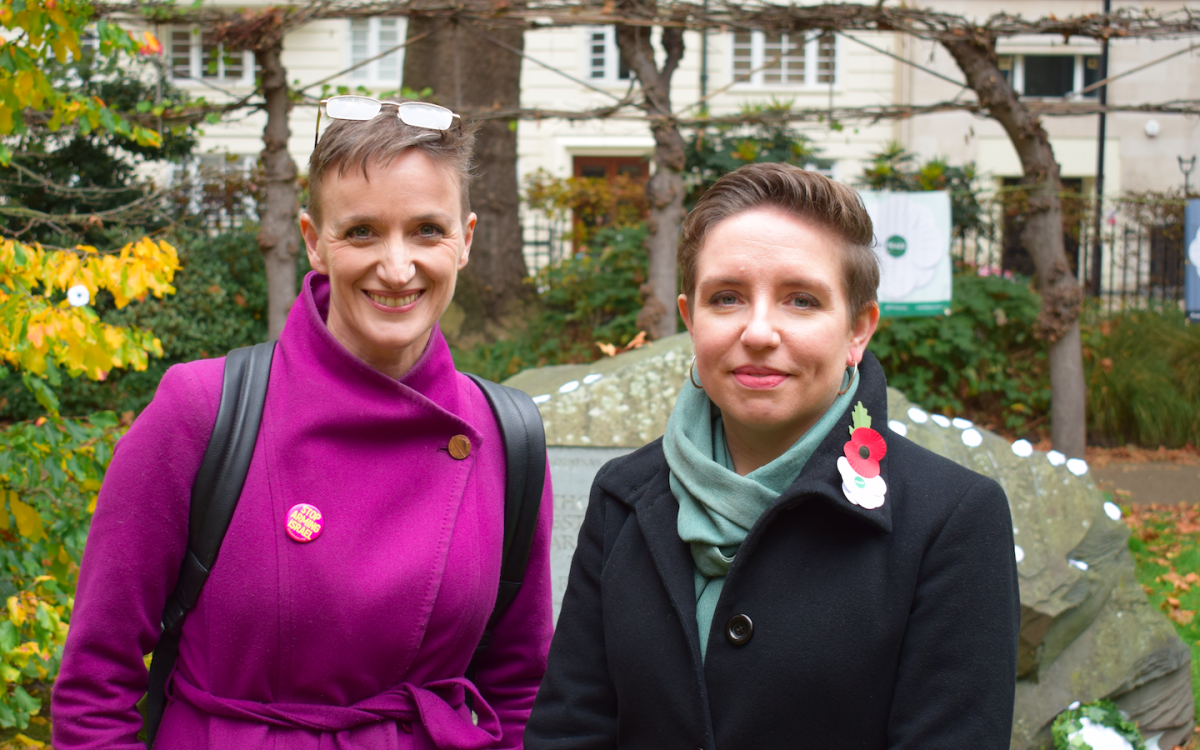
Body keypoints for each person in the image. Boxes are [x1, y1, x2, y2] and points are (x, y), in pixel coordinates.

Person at [53, 96, 553, 750]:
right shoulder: (205, 409)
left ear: (466, 241)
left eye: (427, 230)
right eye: (363, 232)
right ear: (315, 243)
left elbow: (519, 686)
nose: (397, 267)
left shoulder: (507, 437)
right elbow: (97, 678)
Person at [525, 163, 1019, 749]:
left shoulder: (952, 520)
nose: (758, 332)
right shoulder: (623, 497)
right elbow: (570, 732)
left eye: (801, 300)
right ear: (690, 319)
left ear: (859, 329)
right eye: (727, 297)